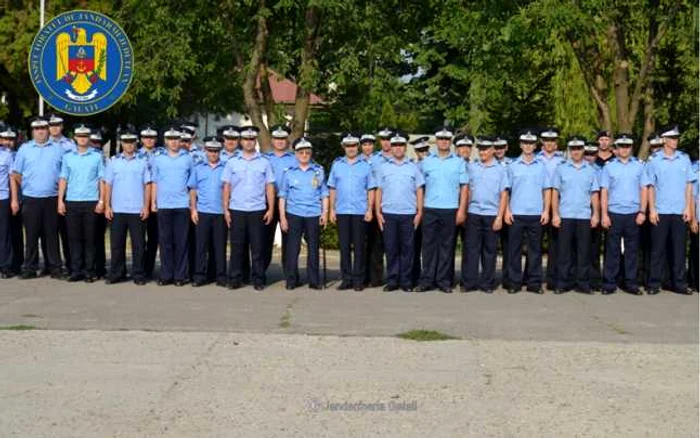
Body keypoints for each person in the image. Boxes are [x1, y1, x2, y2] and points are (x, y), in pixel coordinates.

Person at [222, 126, 275, 290]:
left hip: (257, 209)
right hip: (237, 209)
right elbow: (226, 186)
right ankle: (235, 278)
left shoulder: (264, 162)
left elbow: (270, 186)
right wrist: (225, 210)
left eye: (252, 139)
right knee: (237, 247)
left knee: (258, 247)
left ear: (255, 141)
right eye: (246, 139)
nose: (249, 142)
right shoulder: (232, 162)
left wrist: (271, 209)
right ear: (241, 141)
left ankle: (258, 279)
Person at [645, 125, 696, 295]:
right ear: (665, 140)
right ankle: (654, 283)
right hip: (661, 210)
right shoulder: (655, 160)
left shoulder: (684, 159)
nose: (676, 141)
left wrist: (688, 207)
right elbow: (651, 186)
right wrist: (651, 209)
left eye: (677, 138)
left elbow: (689, 185)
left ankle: (679, 283)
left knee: (679, 249)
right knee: (657, 249)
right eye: (673, 138)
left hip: (680, 210)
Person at [416, 126, 468, 293]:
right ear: (436, 141)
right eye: (441, 139)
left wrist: (461, 210)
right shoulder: (426, 162)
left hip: (450, 209)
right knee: (428, 246)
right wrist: (420, 210)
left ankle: (444, 281)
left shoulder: (459, 162)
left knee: (447, 247)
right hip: (430, 208)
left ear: (450, 141)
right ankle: (427, 280)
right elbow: (419, 188)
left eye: (447, 139)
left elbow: (464, 187)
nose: (444, 142)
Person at [11, 117, 64, 279]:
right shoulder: (24, 149)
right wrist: (29, 185)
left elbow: (64, 174)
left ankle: (55, 268)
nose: (41, 131)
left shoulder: (58, 149)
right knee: (32, 235)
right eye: (37, 129)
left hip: (52, 198)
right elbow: (16, 174)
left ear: (48, 129)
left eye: (43, 128)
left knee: (51, 235)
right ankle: (30, 268)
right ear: (32, 131)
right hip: (31, 198)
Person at [375, 131, 425, 292]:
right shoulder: (383, 167)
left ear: (405, 147)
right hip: (388, 213)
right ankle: (392, 280)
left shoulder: (413, 167)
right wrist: (377, 211)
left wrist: (419, 212)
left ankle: (406, 281)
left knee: (407, 250)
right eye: (395, 145)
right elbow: (378, 190)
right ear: (391, 147)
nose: (397, 148)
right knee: (391, 249)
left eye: (400, 145)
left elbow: (419, 190)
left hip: (408, 213)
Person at [599, 133, 648, 295]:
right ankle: (609, 283)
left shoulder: (640, 166)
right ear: (617, 148)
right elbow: (604, 191)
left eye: (627, 146)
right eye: (621, 146)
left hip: (633, 213)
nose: (624, 149)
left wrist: (642, 211)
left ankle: (631, 282)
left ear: (631, 148)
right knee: (611, 250)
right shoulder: (609, 167)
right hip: (614, 213)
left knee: (632, 250)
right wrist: (604, 214)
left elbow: (644, 189)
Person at [504, 129, 552, 294]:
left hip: (536, 214)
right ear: (520, 144)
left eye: (531, 143)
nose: (528, 146)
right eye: (525, 143)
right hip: (516, 214)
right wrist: (507, 210)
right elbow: (506, 191)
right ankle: (515, 283)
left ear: (535, 145)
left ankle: (534, 283)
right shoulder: (512, 166)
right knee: (514, 251)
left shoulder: (541, 166)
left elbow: (547, 190)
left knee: (535, 251)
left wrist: (546, 210)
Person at [551, 136, 600, 294]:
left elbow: (594, 194)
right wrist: (555, 214)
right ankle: (562, 282)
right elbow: (555, 193)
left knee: (583, 252)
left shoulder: (591, 170)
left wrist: (596, 214)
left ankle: (583, 283)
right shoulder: (561, 168)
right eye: (573, 149)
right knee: (564, 252)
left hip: (584, 216)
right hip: (566, 215)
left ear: (583, 150)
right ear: (570, 150)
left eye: (579, 148)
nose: (576, 152)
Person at [279, 137, 329, 290]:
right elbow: (283, 196)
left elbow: (324, 193)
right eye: (301, 152)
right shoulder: (289, 172)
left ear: (311, 153)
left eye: (307, 152)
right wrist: (282, 217)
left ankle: (314, 280)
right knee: (293, 249)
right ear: (296, 153)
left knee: (313, 249)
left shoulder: (318, 170)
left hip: (313, 213)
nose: (304, 155)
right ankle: (291, 280)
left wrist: (325, 213)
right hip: (294, 213)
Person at [328, 132, 376, 291]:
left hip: (359, 211)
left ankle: (358, 280)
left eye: (354, 145)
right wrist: (331, 209)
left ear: (358, 146)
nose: (351, 149)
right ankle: (346, 278)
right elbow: (332, 188)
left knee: (359, 247)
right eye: (348, 146)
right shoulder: (337, 165)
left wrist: (370, 209)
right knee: (344, 247)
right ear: (343, 147)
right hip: (342, 211)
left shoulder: (365, 165)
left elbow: (370, 189)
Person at [57, 124, 105, 282]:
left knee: (90, 238)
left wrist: (102, 200)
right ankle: (76, 270)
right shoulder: (68, 156)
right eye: (80, 136)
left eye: (85, 136)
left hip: (91, 201)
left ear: (89, 138)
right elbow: (63, 179)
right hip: (72, 201)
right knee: (73, 238)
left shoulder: (97, 156)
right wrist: (60, 201)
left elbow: (101, 180)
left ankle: (89, 271)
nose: (83, 139)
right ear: (75, 138)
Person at [104, 130, 151, 285]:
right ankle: (117, 273)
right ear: (122, 143)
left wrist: (146, 206)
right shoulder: (113, 161)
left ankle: (138, 274)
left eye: (132, 142)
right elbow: (108, 185)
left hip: (137, 209)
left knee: (138, 245)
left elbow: (147, 186)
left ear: (136, 143)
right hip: (117, 209)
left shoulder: (142, 162)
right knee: (117, 244)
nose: (129, 145)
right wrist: (107, 206)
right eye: (126, 142)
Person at [461, 138, 509, 292]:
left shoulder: (501, 169)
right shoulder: (472, 167)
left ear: (493, 150)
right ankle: (470, 282)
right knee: (471, 250)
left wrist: (499, 217)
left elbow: (504, 194)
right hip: (474, 213)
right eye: (480, 149)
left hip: (491, 214)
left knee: (489, 251)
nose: (482, 152)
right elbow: (467, 190)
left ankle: (487, 283)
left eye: (486, 149)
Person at [151, 127, 194, 286]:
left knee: (182, 242)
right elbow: (155, 182)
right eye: (171, 139)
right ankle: (166, 274)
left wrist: (191, 204)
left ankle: (180, 276)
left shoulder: (187, 158)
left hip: (182, 205)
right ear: (166, 141)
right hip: (164, 205)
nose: (174, 142)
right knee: (165, 242)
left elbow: (192, 183)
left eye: (177, 139)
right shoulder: (158, 158)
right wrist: (153, 202)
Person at [188, 137, 229, 287]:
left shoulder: (226, 168)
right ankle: (199, 275)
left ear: (220, 152)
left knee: (219, 246)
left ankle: (220, 275)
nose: (213, 154)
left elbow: (228, 189)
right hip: (203, 212)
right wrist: (193, 209)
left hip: (220, 213)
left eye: (216, 151)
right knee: (201, 246)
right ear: (205, 151)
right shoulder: (198, 168)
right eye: (210, 150)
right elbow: (193, 189)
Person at [262, 124, 296, 276]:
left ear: (287, 140)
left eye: (283, 138)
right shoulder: (264, 158)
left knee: (289, 240)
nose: (280, 141)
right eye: (277, 138)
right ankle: (260, 272)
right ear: (272, 140)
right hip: (267, 202)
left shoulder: (294, 159)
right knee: (264, 239)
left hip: (289, 203)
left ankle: (290, 274)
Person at [536, 127, 565, 290]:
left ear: (556, 142)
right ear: (542, 142)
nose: (549, 143)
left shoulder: (562, 160)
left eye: (552, 141)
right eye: (547, 140)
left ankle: (553, 278)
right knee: (535, 244)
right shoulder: (535, 158)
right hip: (537, 203)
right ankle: (531, 276)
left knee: (555, 244)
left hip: (558, 205)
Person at [48, 113, 75, 276]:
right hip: (51, 194)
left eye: (57, 125)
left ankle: (71, 264)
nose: (54, 128)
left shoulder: (70, 145)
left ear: (62, 126)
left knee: (67, 231)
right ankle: (52, 265)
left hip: (67, 193)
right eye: (51, 125)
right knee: (50, 231)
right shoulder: (44, 144)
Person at [136, 125, 162, 280]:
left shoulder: (162, 155)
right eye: (146, 137)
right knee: (139, 239)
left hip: (157, 202)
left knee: (154, 238)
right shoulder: (136, 155)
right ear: (141, 139)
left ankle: (149, 269)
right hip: (138, 201)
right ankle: (140, 269)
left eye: (151, 137)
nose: (149, 140)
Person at [409, 136, 430, 286]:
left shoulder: (433, 163)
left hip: (431, 208)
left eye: (424, 149)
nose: (422, 152)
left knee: (429, 245)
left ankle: (429, 275)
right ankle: (415, 275)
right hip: (416, 209)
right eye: (419, 150)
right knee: (414, 245)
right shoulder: (413, 166)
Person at [0, 124, 13, 278]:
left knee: (4, 234)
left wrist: (14, 200)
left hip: (2, 198)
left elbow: (11, 179)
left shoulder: (7, 155)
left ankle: (4, 265)